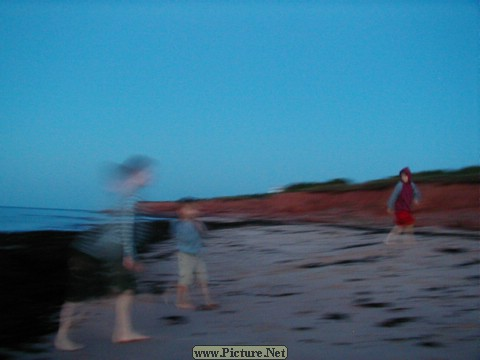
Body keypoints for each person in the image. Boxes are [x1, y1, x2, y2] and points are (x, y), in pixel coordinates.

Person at [54, 155, 153, 351]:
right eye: (147, 172)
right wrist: (130, 256)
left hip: (105, 252)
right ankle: (61, 337)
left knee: (126, 290)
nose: (150, 177)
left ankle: (123, 332)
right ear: (137, 173)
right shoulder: (129, 195)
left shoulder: (124, 193)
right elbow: (124, 227)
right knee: (77, 297)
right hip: (91, 253)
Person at [172, 201, 218, 310]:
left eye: (194, 209)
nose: (194, 211)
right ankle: (180, 301)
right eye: (190, 209)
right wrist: (194, 225)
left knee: (203, 277)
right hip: (185, 255)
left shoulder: (196, 223)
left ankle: (208, 300)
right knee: (185, 279)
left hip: (197, 254)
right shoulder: (178, 224)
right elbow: (184, 238)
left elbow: (205, 234)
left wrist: (199, 226)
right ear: (181, 211)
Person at [385, 167, 421, 245]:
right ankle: (409, 240)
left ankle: (389, 240)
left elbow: (417, 192)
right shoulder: (399, 185)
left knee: (400, 226)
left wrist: (416, 199)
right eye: (402, 176)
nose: (404, 178)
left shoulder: (412, 185)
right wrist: (390, 206)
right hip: (400, 208)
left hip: (407, 208)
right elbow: (393, 196)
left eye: (405, 176)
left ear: (409, 176)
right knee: (410, 222)